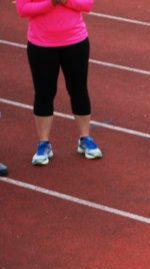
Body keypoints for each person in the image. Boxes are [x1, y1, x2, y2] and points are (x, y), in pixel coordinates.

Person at [16, 0, 103, 166]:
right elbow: (23, 9)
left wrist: (65, 1)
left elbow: (87, 4)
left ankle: (85, 138)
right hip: (41, 44)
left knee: (78, 90)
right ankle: (44, 144)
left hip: (75, 41)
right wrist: (50, 3)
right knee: (44, 93)